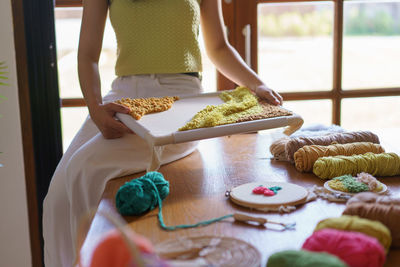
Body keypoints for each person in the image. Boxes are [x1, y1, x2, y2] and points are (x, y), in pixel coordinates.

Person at [43, 0, 283, 266]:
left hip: (182, 100)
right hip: (122, 96)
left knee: (83, 167)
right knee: (55, 200)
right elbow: (87, 55)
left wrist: (257, 84)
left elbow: (218, 47)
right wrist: (96, 108)